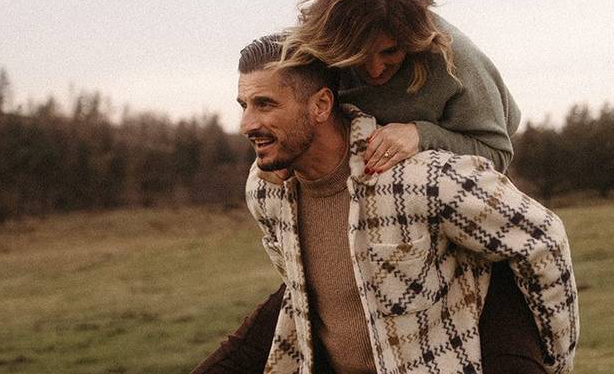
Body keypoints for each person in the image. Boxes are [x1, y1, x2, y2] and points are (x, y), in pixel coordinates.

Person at [190, 0, 538, 373]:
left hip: (456, 190)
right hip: (360, 199)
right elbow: (289, 98)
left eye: (390, 52)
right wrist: (284, 148)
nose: (374, 68)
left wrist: (420, 135)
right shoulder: (315, 47)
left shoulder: (454, 59)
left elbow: (497, 152)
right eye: (358, 53)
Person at [233, 34, 578, 373]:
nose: (247, 124)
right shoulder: (265, 192)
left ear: (322, 105)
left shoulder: (420, 178)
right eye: (244, 106)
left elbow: (543, 238)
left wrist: (552, 361)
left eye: (265, 104)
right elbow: (301, 298)